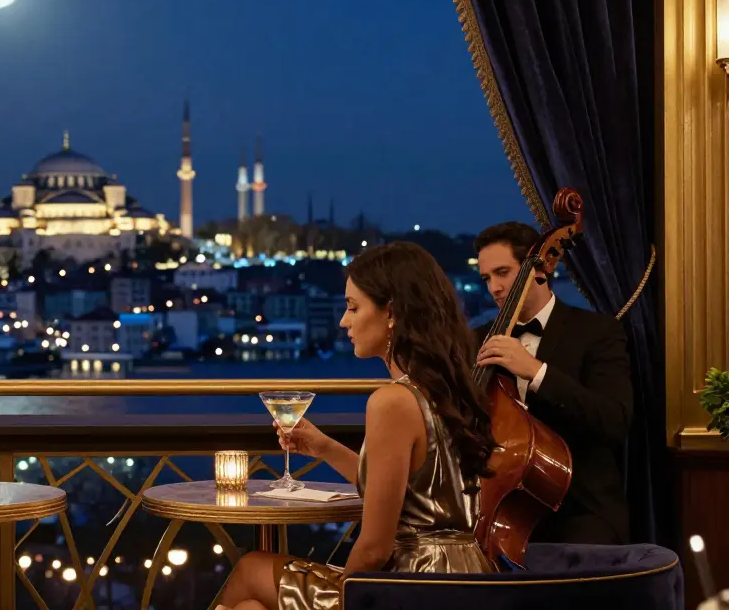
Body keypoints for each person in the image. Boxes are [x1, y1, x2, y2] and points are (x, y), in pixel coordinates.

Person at [216, 242, 497, 610]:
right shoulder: (450, 390)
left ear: (391, 312)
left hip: (414, 582)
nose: (343, 321)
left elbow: (374, 547)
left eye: (353, 307)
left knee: (251, 569)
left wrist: (344, 594)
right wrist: (324, 448)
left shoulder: (392, 401)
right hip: (467, 578)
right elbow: (410, 494)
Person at [473, 221, 633, 544]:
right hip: (498, 509)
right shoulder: (478, 340)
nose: (494, 288)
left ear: (541, 269)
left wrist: (536, 371)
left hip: (578, 510)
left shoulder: (597, 333)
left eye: (503, 273)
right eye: (487, 278)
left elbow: (614, 421)